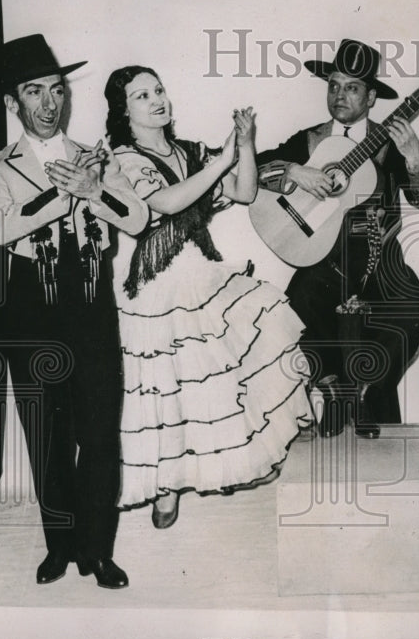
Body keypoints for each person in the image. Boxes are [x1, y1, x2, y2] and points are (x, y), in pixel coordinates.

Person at [0, 34, 148, 588]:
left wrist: (94, 190)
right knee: (47, 438)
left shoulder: (95, 159)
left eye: (56, 90)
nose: (50, 104)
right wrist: (61, 195)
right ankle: (59, 546)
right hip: (30, 318)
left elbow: (138, 219)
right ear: (12, 102)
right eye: (34, 92)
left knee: (99, 436)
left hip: (92, 311)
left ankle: (98, 551)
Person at [105, 66, 313, 529]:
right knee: (165, 391)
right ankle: (166, 487)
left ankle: (192, 475)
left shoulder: (189, 151)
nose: (157, 99)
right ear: (124, 110)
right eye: (141, 95)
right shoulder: (122, 158)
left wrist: (242, 143)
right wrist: (218, 160)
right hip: (158, 287)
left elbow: (244, 191)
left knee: (215, 380)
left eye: (159, 89)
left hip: (202, 276)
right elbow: (166, 203)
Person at [255, 39, 419, 438]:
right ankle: (335, 387)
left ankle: (372, 394)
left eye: (352, 87)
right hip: (323, 261)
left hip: (380, 262)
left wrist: (415, 159)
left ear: (372, 97)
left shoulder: (389, 142)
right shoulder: (309, 140)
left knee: (409, 312)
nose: (340, 95)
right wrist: (293, 170)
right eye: (334, 85)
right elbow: (252, 172)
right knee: (291, 314)